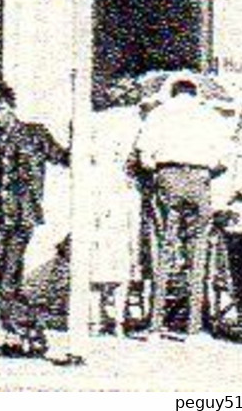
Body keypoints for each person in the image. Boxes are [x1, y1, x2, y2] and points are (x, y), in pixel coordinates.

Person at [0, 81, 70, 358]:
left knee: (6, 281)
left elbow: (63, 157)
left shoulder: (35, 134)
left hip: (22, 214)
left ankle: (33, 333)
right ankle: (14, 336)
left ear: (11, 106)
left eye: (0, 108)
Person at [135, 75, 234, 339]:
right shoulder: (211, 117)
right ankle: (193, 327)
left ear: (172, 91)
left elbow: (144, 157)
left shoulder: (158, 114)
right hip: (200, 179)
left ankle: (155, 325)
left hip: (168, 178)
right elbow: (223, 160)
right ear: (195, 93)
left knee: (163, 249)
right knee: (198, 251)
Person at [88, 87, 147, 336]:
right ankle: (119, 321)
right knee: (122, 254)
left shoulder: (89, 120)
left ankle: (94, 318)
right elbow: (140, 160)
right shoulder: (136, 121)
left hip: (95, 191)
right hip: (122, 191)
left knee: (94, 254)